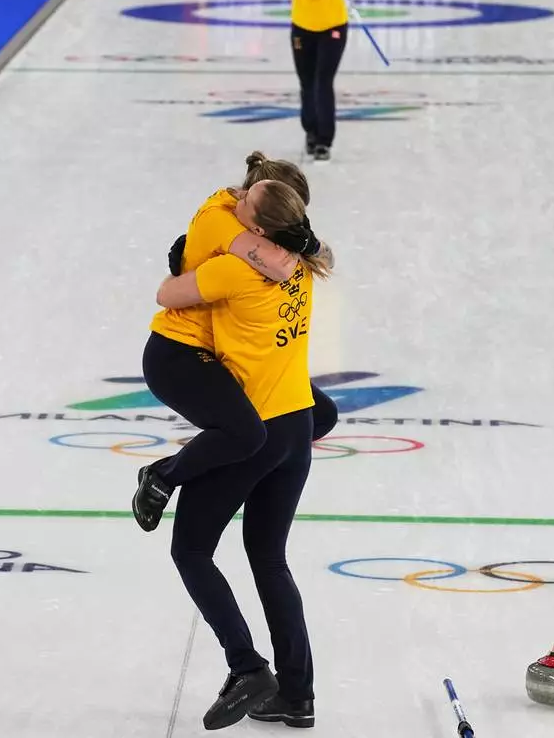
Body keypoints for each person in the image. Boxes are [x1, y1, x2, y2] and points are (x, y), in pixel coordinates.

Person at [152, 181, 330, 730]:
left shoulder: (234, 270)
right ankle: (298, 694)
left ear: (255, 230)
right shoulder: (304, 264)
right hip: (297, 424)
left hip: (255, 431)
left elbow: (166, 294)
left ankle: (247, 668)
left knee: (191, 550)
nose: (234, 204)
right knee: (269, 560)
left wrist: (190, 257)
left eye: (243, 207)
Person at [133, 152, 338, 532]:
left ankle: (234, 461)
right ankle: (164, 475)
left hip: (231, 348)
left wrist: (305, 242)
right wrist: (304, 245)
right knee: (248, 434)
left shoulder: (257, 228)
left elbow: (325, 258)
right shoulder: (220, 219)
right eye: (288, 220)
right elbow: (278, 266)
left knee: (318, 415)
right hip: (185, 348)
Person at [280, 0, 350, 161]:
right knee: (307, 82)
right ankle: (310, 130)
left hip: (332, 25)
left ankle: (324, 139)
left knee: (323, 81)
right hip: (302, 26)